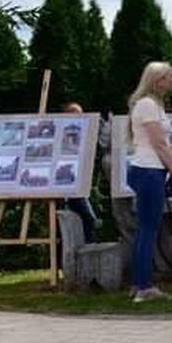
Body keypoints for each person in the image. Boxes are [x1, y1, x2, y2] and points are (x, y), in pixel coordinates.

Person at [127, 61, 172, 302]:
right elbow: (158, 142)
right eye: (169, 76)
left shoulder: (152, 105)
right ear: (157, 80)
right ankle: (144, 286)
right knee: (149, 229)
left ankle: (138, 282)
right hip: (150, 170)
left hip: (147, 169)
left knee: (144, 229)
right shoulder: (148, 105)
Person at [61, 102, 100, 243]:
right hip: (63, 185)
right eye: (75, 113)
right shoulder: (61, 132)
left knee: (88, 218)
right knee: (87, 217)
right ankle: (89, 245)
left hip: (76, 185)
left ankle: (89, 246)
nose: (79, 116)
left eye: (80, 113)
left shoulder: (82, 132)